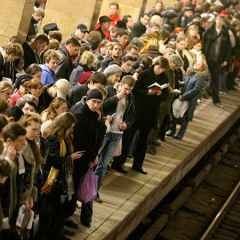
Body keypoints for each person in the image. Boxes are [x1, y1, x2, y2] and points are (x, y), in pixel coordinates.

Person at [38, 112, 81, 240]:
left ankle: (58, 233)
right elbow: (51, 161)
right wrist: (69, 158)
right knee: (52, 211)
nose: (72, 129)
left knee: (60, 210)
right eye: (71, 127)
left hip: (62, 179)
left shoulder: (64, 139)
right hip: (52, 179)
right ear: (64, 126)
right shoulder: (53, 139)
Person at [71, 89, 106, 227]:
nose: (96, 105)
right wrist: (91, 157)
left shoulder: (96, 116)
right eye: (94, 102)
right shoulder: (80, 116)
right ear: (87, 100)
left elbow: (99, 138)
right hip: (79, 159)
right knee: (75, 188)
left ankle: (86, 218)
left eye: (99, 103)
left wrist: (100, 122)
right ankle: (74, 215)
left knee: (87, 187)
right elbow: (83, 141)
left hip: (89, 158)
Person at [203, 14, 231, 106]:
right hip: (208, 58)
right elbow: (204, 44)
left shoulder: (225, 32)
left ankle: (216, 100)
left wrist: (226, 59)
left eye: (221, 20)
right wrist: (203, 57)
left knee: (215, 79)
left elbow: (228, 47)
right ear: (215, 20)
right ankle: (210, 93)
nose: (219, 22)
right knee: (212, 79)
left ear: (223, 22)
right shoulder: (209, 31)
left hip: (219, 59)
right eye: (218, 20)